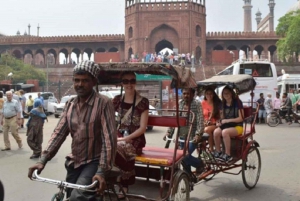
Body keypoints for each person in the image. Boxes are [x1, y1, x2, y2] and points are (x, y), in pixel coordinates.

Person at [28, 60, 117, 201]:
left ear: (94, 82)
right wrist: (43, 160)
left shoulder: (103, 103)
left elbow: (109, 140)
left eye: (85, 80)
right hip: (74, 162)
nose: (80, 84)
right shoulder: (70, 104)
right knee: (69, 195)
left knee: (78, 197)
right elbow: (59, 133)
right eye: (76, 80)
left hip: (94, 162)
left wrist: (101, 171)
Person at [112, 71, 149, 198]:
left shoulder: (143, 102)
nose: (129, 84)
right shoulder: (117, 100)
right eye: (126, 81)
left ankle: (124, 182)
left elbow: (143, 128)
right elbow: (109, 120)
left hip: (135, 139)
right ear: (122, 83)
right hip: (119, 137)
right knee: (103, 144)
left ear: (135, 82)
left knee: (118, 146)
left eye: (132, 81)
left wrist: (125, 138)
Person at [164, 88, 205, 175]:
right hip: (181, 136)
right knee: (180, 157)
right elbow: (174, 119)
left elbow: (200, 120)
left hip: (193, 136)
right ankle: (188, 176)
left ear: (193, 94)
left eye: (188, 94)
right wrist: (168, 132)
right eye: (184, 93)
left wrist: (198, 134)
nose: (186, 95)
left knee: (184, 155)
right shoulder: (180, 103)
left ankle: (200, 164)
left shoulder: (197, 104)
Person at [213, 86, 244, 162]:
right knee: (216, 132)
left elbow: (241, 118)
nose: (226, 94)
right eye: (224, 93)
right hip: (227, 126)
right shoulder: (222, 104)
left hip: (238, 126)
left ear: (231, 93)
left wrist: (227, 121)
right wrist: (219, 122)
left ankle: (228, 155)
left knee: (225, 132)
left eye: (227, 93)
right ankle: (218, 152)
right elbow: (222, 118)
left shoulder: (238, 102)